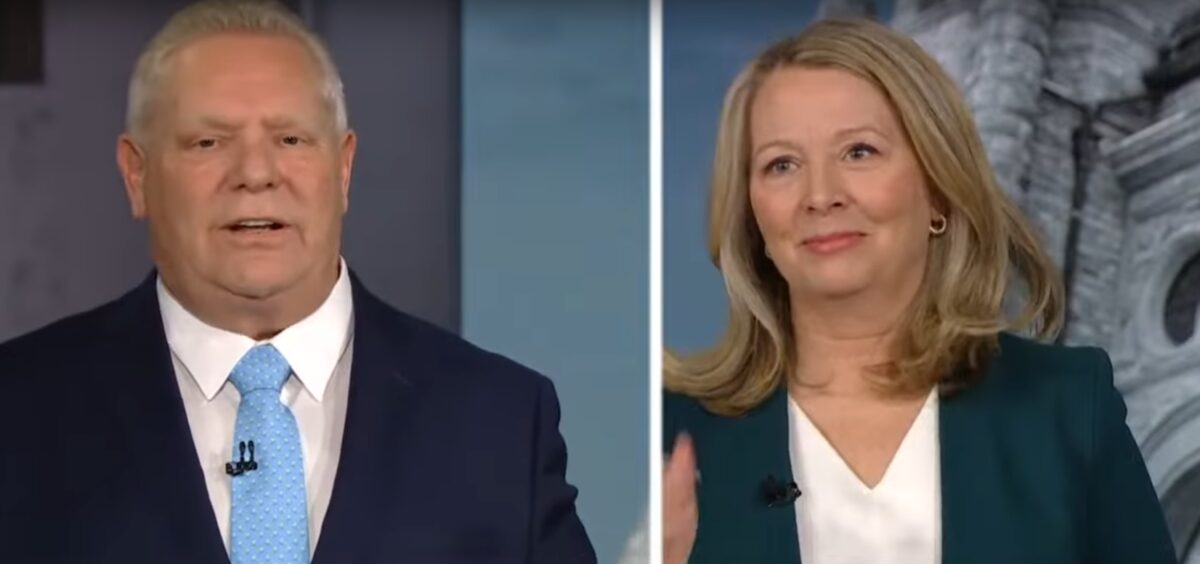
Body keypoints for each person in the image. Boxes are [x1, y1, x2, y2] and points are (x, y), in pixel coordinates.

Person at [0, 1, 595, 562]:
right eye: (209, 142)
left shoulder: (501, 420)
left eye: (290, 140)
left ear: (343, 169)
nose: (256, 174)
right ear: (137, 175)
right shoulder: (20, 410)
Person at [661, 18, 1176, 564]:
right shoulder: (671, 429)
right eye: (781, 164)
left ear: (937, 188)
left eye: (858, 152)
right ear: (751, 214)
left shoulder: (1067, 410)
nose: (820, 195)